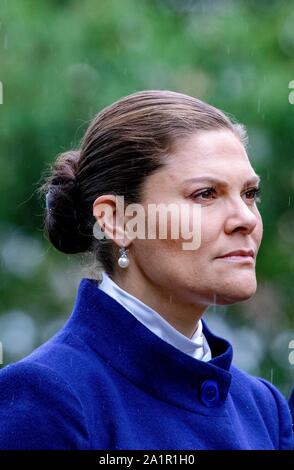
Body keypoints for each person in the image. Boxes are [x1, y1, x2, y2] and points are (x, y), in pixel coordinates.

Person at [0, 90, 292, 450]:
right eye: (205, 194)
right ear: (118, 220)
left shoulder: (265, 408)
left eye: (250, 194)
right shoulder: (48, 398)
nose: (246, 219)